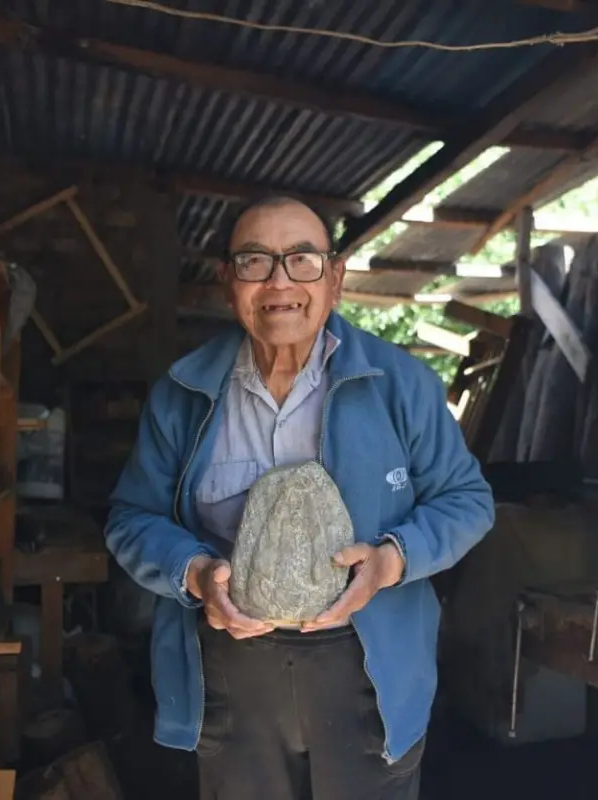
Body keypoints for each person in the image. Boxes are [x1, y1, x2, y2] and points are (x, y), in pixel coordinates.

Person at [105, 195, 495, 800]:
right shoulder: (182, 393)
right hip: (233, 671)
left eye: (302, 259)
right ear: (227, 281)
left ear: (334, 278)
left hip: (367, 663)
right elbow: (132, 518)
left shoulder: (400, 385)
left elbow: (467, 500)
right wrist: (196, 573)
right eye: (255, 261)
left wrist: (392, 560)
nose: (280, 281)